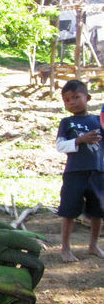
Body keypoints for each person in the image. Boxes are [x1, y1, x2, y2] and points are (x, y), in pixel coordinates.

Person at [55, 79, 104, 263]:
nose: (72, 102)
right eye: (67, 100)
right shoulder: (67, 122)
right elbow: (60, 146)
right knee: (68, 211)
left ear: (87, 97)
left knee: (98, 211)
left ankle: (93, 245)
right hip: (74, 173)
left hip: (98, 172)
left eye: (76, 97)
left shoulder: (98, 120)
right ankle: (65, 249)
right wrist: (80, 140)